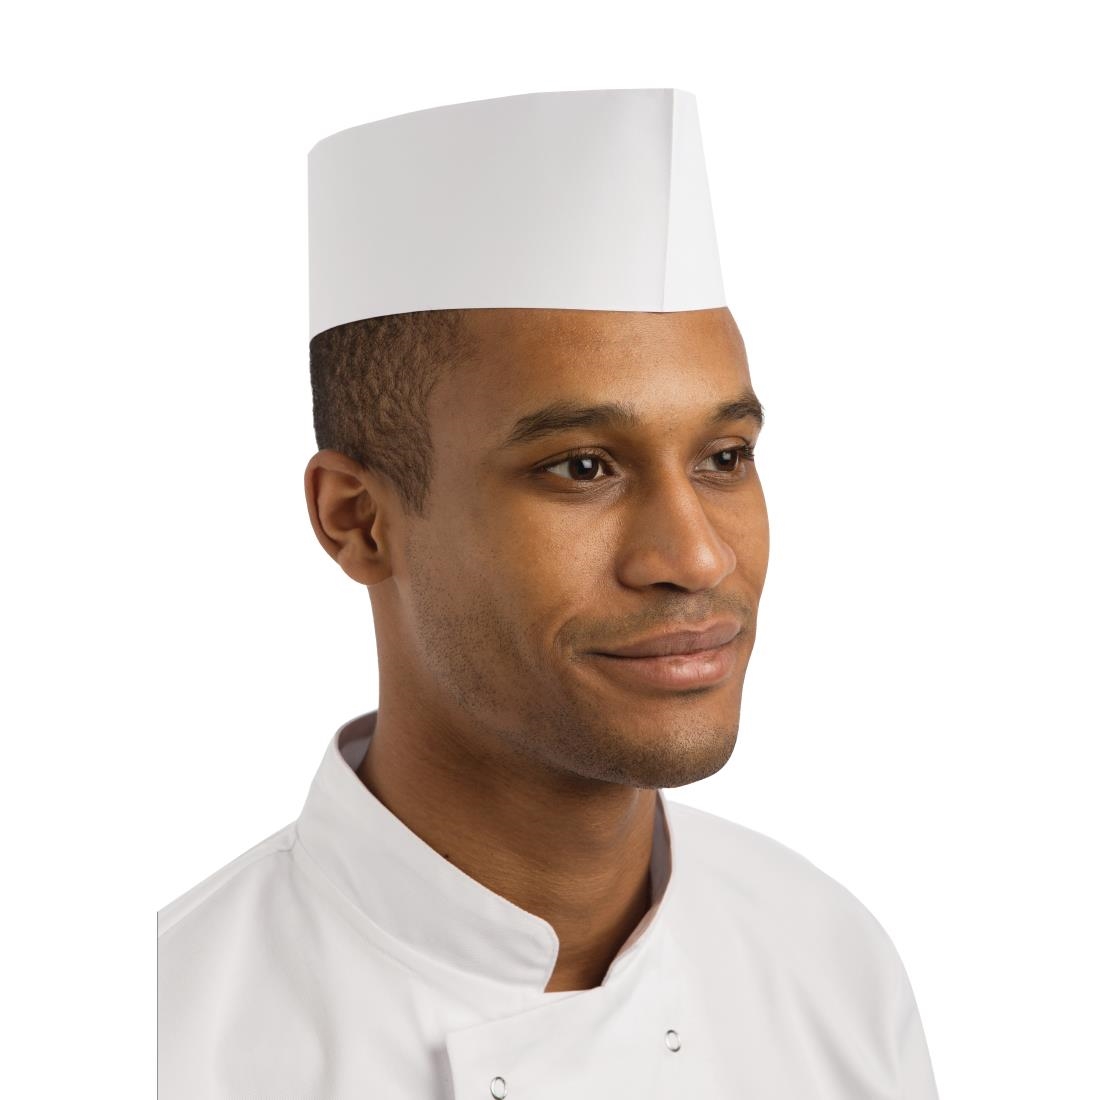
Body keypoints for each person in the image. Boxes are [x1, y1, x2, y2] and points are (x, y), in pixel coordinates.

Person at [157, 88, 939, 1099]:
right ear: (358, 520)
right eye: (581, 466)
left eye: (722, 456)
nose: (696, 557)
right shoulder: (160, 1041)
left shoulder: (827, 963)